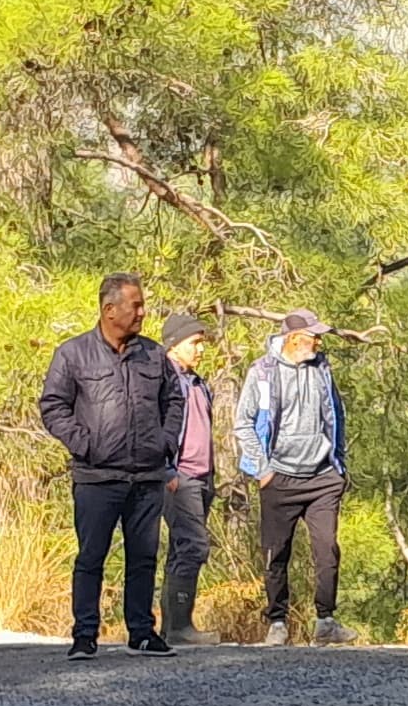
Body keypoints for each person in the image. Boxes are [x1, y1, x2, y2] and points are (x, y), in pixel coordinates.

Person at [35, 274, 185, 659]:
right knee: (91, 557)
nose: (142, 312)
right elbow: (53, 406)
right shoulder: (73, 354)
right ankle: (85, 634)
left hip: (147, 476)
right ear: (108, 310)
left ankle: (141, 632)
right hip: (96, 477)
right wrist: (85, 444)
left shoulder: (154, 355)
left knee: (144, 557)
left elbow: (174, 402)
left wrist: (165, 444)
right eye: (135, 305)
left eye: (141, 304)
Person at [238, 310, 349, 645]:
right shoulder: (262, 373)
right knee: (276, 552)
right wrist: (263, 469)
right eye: (313, 336)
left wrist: (339, 466)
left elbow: (336, 415)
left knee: (327, 549)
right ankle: (277, 623)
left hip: (322, 477)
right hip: (280, 477)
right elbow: (243, 423)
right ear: (292, 339)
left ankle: (326, 621)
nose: (318, 341)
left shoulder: (323, 370)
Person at [160, 324, 223, 642]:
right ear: (173, 345)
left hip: (201, 477)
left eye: (202, 343)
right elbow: (152, 427)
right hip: (177, 477)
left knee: (180, 549)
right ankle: (181, 626)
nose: (201, 349)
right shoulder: (162, 380)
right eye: (194, 343)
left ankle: (170, 627)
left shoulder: (198, 383)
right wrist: (165, 471)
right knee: (194, 546)